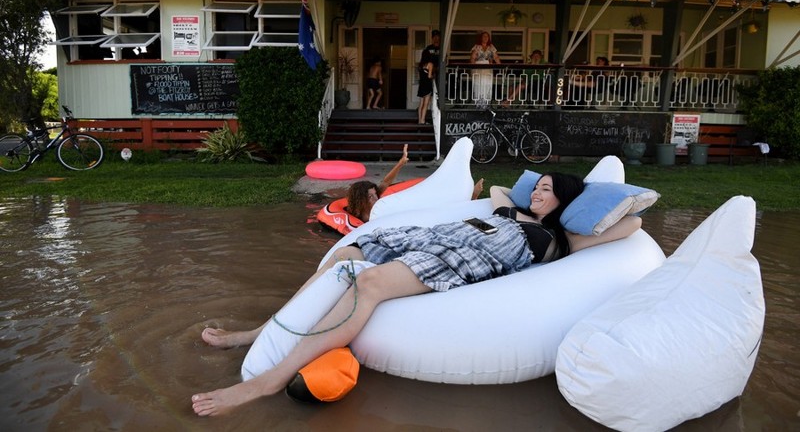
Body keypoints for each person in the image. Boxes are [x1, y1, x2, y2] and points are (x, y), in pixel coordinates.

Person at [191, 172, 641, 416]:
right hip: (428, 236)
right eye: (537, 187)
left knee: (367, 282)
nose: (539, 193)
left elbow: (631, 223)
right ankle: (261, 331)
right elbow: (505, 188)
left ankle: (266, 381)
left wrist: (579, 204)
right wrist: (527, 194)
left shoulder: (556, 239)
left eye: (548, 190)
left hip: (461, 257)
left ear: (564, 201)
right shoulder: (509, 209)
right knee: (345, 252)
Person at [346, 144, 484, 223]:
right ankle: (471, 198)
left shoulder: (378, 203)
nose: (375, 198)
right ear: (361, 201)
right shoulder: (359, 215)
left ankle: (471, 197)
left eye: (374, 194)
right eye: (370, 197)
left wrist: (400, 163)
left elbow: (386, 182)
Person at [469, 31, 500, 105]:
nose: (485, 38)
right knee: (478, 85)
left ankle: (486, 104)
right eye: (484, 36)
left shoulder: (491, 47)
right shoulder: (477, 46)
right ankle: (478, 104)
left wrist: (500, 67)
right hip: (478, 67)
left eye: (487, 36)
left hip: (488, 68)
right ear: (481, 38)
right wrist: (472, 69)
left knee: (487, 85)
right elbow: (472, 58)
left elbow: (496, 57)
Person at [417, 30, 440, 124]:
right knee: (426, 103)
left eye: (437, 36)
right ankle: (422, 120)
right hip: (427, 84)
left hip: (422, 83)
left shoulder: (421, 65)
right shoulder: (430, 63)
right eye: (434, 36)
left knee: (421, 103)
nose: (436, 38)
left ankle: (420, 120)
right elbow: (430, 76)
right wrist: (432, 75)